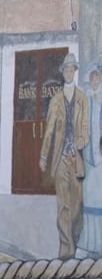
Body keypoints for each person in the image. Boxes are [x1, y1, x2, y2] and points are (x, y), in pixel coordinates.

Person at [40, 52, 89, 260]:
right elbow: (49, 130)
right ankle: (65, 250)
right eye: (66, 69)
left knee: (77, 206)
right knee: (63, 206)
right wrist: (43, 156)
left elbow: (86, 128)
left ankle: (74, 241)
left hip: (75, 158)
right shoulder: (55, 101)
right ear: (63, 73)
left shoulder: (82, 99)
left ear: (75, 72)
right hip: (60, 158)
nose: (69, 73)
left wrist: (82, 141)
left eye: (72, 69)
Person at [78, 64, 102, 258]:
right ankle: (88, 242)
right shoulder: (85, 100)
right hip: (88, 156)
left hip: (101, 159)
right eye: (93, 79)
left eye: (98, 79)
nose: (95, 82)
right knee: (89, 198)